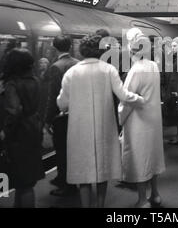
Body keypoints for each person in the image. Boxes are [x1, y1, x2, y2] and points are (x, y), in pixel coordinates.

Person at [57, 34, 144, 208]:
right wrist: (141, 99)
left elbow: (62, 104)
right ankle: (100, 205)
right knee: (102, 172)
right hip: (103, 128)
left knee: (83, 174)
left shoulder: (71, 72)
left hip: (80, 130)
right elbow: (123, 95)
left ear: (81, 51)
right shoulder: (108, 69)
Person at [119, 31, 165, 208]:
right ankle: (155, 194)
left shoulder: (136, 69)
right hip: (153, 119)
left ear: (132, 52)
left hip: (138, 121)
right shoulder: (153, 66)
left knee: (140, 158)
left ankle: (142, 199)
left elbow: (126, 98)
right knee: (153, 155)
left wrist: (120, 118)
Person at [0, 48, 44, 207]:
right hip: (33, 130)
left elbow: (14, 111)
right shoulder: (35, 80)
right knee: (25, 182)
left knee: (23, 183)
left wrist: (5, 132)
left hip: (18, 135)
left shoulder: (12, 84)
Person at [43, 35, 79, 197]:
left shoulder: (56, 67)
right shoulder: (78, 64)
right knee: (72, 149)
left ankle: (66, 184)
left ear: (54, 47)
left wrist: (47, 120)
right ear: (70, 46)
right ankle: (66, 178)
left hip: (62, 116)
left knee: (62, 150)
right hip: (77, 113)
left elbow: (53, 96)